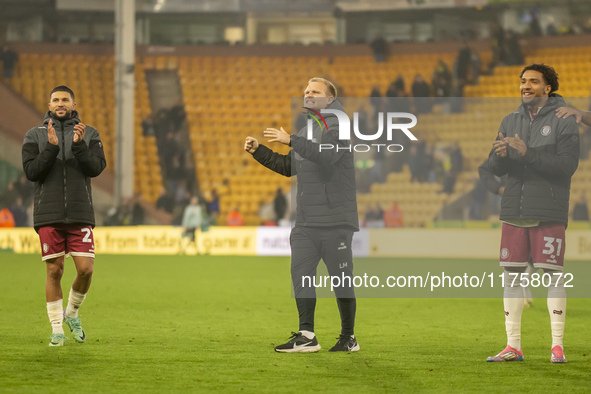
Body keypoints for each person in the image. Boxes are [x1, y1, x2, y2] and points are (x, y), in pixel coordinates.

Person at [244, 77, 359, 353]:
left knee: (340, 281)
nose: (308, 94)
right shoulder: (308, 129)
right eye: (306, 91)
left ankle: (348, 337)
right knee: (302, 275)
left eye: (315, 91)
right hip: (306, 222)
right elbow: (288, 166)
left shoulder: (338, 125)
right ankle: (307, 335)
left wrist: (291, 139)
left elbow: (327, 157)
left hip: (334, 220)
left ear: (329, 99)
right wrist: (259, 151)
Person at [485, 64, 579, 364]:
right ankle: (513, 346)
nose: (526, 85)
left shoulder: (564, 120)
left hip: (548, 209)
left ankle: (557, 346)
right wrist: (500, 158)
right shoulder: (509, 119)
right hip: (514, 210)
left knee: (553, 276)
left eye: (533, 81)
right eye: (523, 81)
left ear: (547, 88)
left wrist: (528, 153)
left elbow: (567, 167)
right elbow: (495, 168)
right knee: (512, 277)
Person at [22, 85, 106, 346]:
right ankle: (57, 328)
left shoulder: (89, 133)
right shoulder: (34, 135)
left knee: (86, 270)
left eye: (65, 100)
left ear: (73, 104)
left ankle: (71, 314)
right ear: (49, 106)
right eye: (56, 100)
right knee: (54, 271)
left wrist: (79, 146)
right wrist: (51, 147)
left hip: (81, 212)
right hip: (49, 213)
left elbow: (96, 168)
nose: (60, 103)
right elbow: (32, 172)